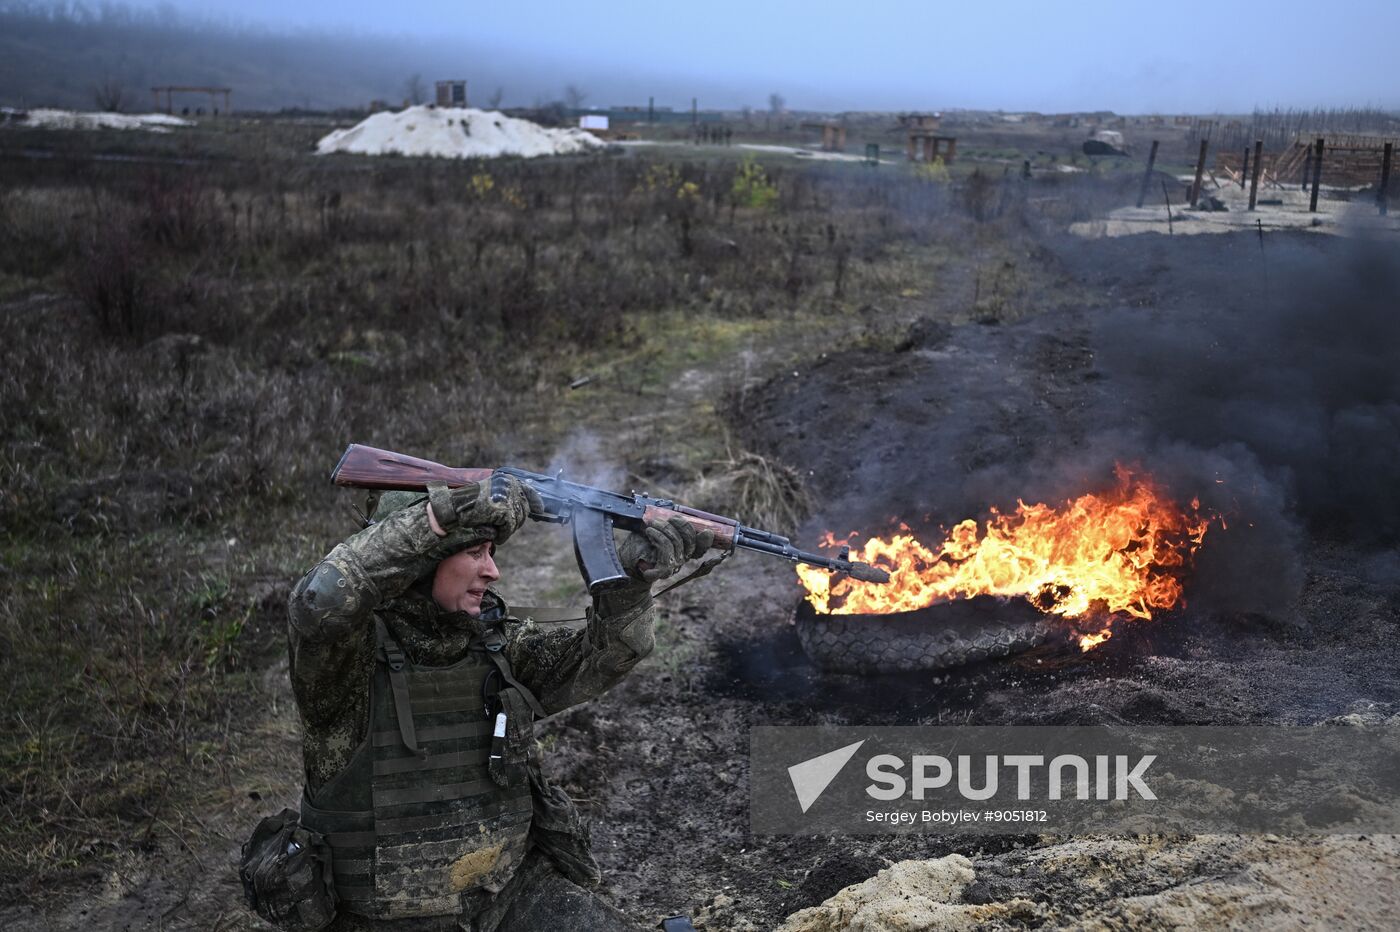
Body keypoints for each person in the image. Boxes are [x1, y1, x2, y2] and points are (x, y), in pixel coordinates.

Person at [286, 473, 711, 931]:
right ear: (422, 562)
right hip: (382, 918)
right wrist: (432, 522)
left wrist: (627, 585)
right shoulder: (346, 661)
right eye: (474, 552)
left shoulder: (493, 643)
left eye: (491, 552)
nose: (493, 571)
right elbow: (319, 601)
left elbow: (605, 657)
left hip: (508, 897)